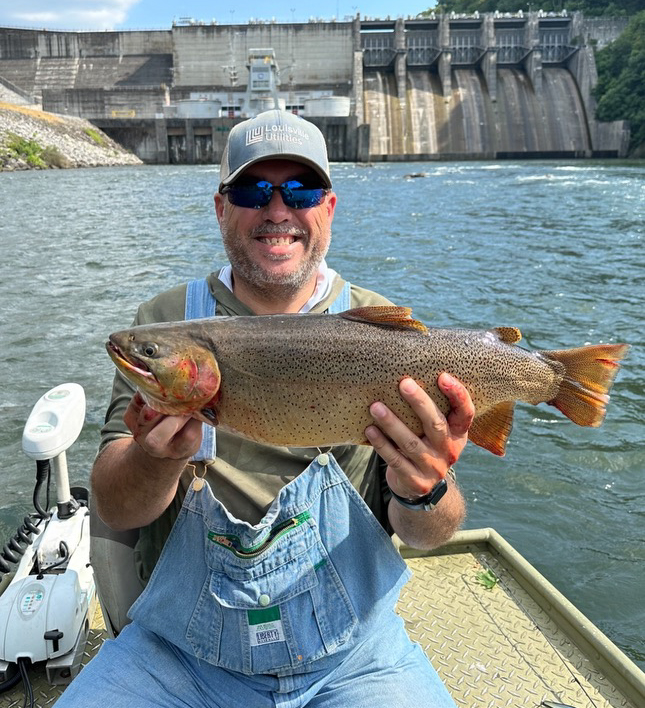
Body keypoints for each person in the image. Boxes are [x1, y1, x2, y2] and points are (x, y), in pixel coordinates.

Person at [58, 109, 474, 708]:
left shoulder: (392, 336)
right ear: (221, 207)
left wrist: (425, 489)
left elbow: (431, 533)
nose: (277, 210)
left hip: (353, 655)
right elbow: (117, 510)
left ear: (327, 208)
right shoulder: (162, 326)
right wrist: (153, 462)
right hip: (178, 656)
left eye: (299, 190)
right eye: (253, 190)